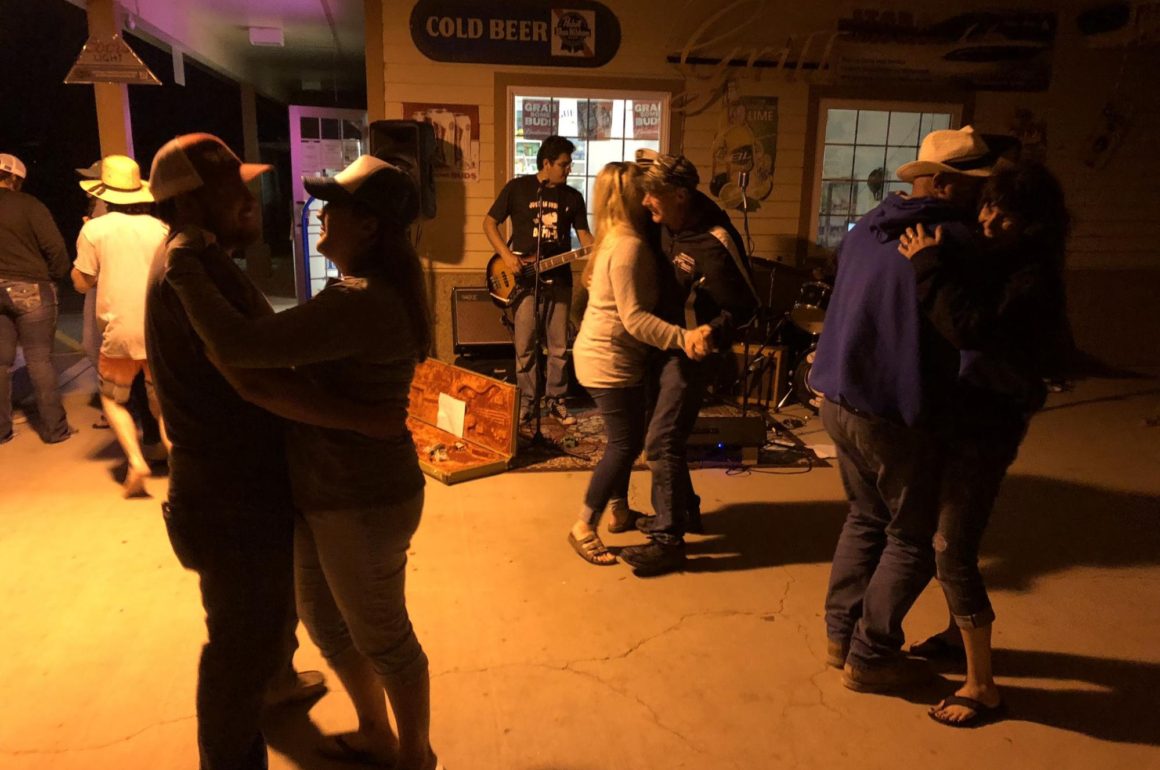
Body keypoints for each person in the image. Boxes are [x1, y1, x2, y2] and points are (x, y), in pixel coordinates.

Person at [161, 154, 440, 770]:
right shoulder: (351, 294)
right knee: (325, 621)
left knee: (383, 635)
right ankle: (374, 730)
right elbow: (279, 352)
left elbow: (244, 350)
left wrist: (183, 265)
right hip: (327, 490)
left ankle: (416, 756)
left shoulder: (363, 300)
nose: (320, 210)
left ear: (368, 227)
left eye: (333, 204)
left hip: (363, 496)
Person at [810, 126, 995, 692]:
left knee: (865, 517)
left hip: (836, 398)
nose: (981, 196)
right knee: (910, 537)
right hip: (893, 411)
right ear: (941, 183)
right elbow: (973, 330)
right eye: (971, 185)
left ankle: (839, 636)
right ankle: (870, 655)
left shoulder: (869, 226)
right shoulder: (954, 240)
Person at [897, 161, 1071, 727]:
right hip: (973, 414)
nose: (991, 219)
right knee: (951, 538)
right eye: (989, 206)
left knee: (953, 549)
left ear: (1035, 223)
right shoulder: (1008, 260)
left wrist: (926, 265)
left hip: (988, 427)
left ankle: (983, 687)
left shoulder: (1032, 277)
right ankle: (955, 635)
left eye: (1007, 213)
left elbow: (968, 327)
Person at [619, 152, 759, 576]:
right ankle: (685, 511)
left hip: (692, 354)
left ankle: (668, 539)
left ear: (680, 195)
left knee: (661, 441)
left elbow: (750, 307)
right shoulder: (662, 224)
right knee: (658, 436)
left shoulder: (715, 241)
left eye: (653, 195)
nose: (646, 203)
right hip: (660, 343)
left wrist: (711, 334)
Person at [567, 161, 708, 566]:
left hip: (608, 356)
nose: (649, 198)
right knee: (625, 445)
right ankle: (582, 525)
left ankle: (620, 512)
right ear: (631, 197)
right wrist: (684, 337)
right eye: (642, 191)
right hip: (609, 360)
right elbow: (634, 319)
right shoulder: (628, 246)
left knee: (624, 437)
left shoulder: (616, 238)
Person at [71, 155, 170, 496]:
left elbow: (82, 282)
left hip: (119, 332)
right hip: (158, 329)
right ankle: (173, 456)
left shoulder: (93, 230)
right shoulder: (160, 228)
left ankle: (136, 461)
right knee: (162, 401)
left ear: (104, 194)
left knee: (113, 399)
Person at [483, 135, 594, 427]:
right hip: (522, 281)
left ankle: (556, 401)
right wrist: (506, 256)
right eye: (563, 164)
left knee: (558, 347)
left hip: (559, 279)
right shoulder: (518, 188)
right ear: (546, 163)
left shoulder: (573, 197)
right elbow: (489, 223)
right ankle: (528, 403)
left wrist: (601, 248)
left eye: (568, 164)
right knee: (526, 347)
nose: (568, 169)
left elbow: (585, 238)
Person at [0, 153, 71, 445]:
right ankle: (55, 430)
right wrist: (55, 275)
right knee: (39, 360)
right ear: (15, 178)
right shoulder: (30, 205)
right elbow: (54, 248)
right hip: (30, 287)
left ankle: (2, 432)